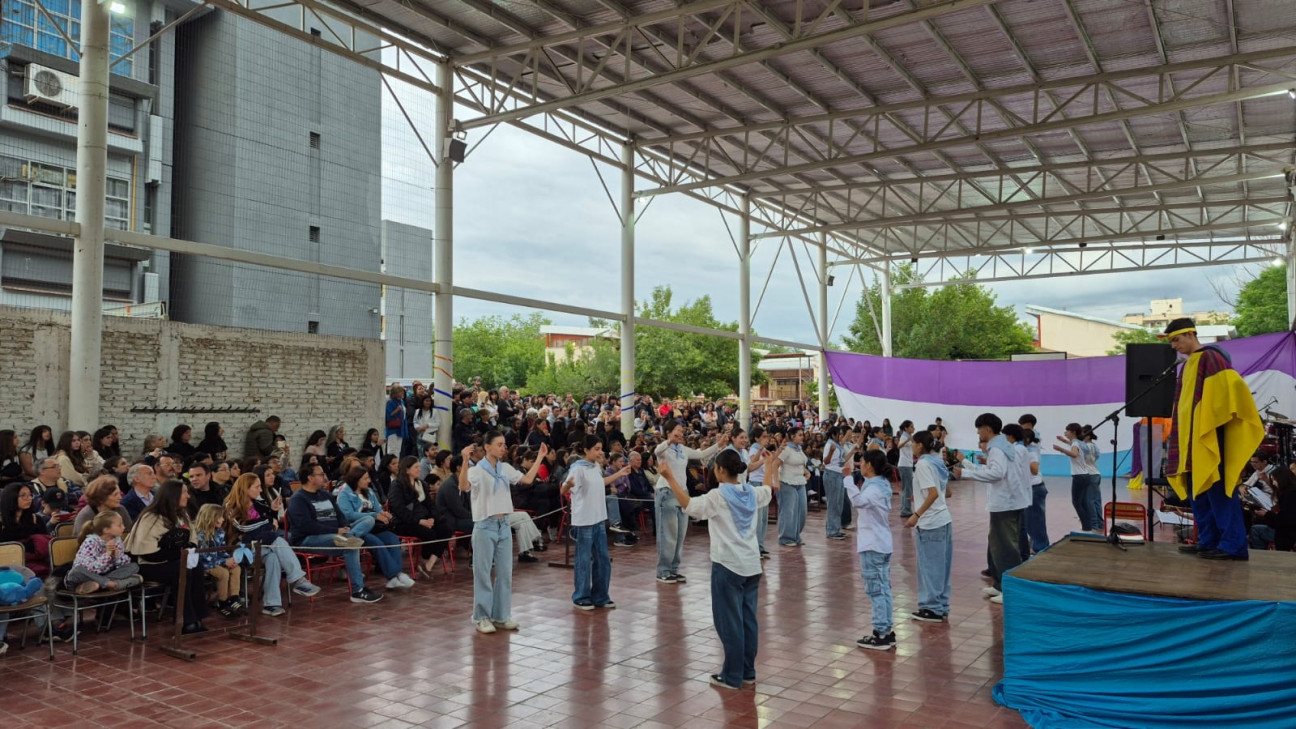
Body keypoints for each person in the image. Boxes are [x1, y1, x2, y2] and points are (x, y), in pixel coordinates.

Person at [657, 446, 778, 689]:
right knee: (748, 621)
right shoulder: (750, 493)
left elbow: (689, 506)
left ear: (721, 471)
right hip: (752, 566)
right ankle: (747, 671)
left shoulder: (718, 497)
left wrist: (669, 478)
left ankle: (732, 676)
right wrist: (768, 466)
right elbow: (767, 491)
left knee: (729, 622)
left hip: (727, 566)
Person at [1163, 318, 1264, 560]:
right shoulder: (1188, 365)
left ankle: (1233, 546)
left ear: (1190, 334)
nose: (1174, 346)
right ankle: (1208, 541)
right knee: (1199, 494)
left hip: (1209, 436)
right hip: (1191, 440)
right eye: (1171, 342)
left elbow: (1232, 389)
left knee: (1219, 493)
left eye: (1176, 339)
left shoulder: (1211, 357)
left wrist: (1210, 422)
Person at [458, 433, 547, 634]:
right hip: (485, 525)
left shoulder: (505, 468)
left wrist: (540, 457)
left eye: (504, 445)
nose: (503, 448)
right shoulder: (477, 470)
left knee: (505, 573)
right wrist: (465, 460)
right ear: (487, 447)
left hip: (503, 525)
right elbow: (463, 486)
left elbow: (527, 479)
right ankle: (481, 617)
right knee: (482, 574)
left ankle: (500, 615)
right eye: (499, 445)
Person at [953, 413, 1030, 605]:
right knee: (997, 545)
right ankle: (999, 584)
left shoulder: (996, 448)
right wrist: (967, 469)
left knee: (1005, 548)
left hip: (1004, 503)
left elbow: (996, 473)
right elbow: (993, 471)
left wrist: (966, 473)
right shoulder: (1005, 445)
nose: (978, 433)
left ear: (987, 428)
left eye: (979, 429)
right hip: (1011, 501)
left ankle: (1010, 589)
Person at [225, 473, 321, 617]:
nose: (260, 490)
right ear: (245, 488)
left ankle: (271, 604)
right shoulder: (231, 506)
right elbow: (244, 527)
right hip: (242, 550)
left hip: (262, 545)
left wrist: (273, 511)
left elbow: (269, 522)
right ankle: (298, 579)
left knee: (273, 558)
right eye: (257, 487)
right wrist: (269, 524)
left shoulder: (258, 503)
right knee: (276, 539)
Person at [288, 463, 383, 603]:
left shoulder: (326, 495)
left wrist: (345, 527)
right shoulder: (298, 499)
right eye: (320, 475)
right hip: (308, 539)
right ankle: (358, 591)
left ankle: (349, 538)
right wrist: (336, 531)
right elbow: (306, 526)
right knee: (349, 544)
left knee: (368, 519)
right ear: (310, 478)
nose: (324, 477)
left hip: (337, 534)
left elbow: (340, 516)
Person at [122, 480, 209, 634]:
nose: (188, 496)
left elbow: (193, 538)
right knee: (181, 571)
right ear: (173, 495)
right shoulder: (152, 517)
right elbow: (147, 551)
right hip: (148, 564)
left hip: (172, 560)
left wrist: (189, 548)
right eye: (184, 492)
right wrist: (178, 554)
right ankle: (184, 620)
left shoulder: (182, 514)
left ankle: (197, 617)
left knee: (197, 567)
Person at [653, 423, 726, 584]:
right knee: (668, 533)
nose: (681, 432)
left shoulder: (683, 450)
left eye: (682, 430)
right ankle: (663, 570)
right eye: (677, 430)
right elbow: (656, 451)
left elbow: (701, 455)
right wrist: (670, 441)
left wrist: (718, 445)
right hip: (667, 491)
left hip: (682, 492)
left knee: (680, 534)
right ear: (669, 432)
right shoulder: (664, 449)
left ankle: (674, 569)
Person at [561, 436, 625, 610]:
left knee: (603, 559)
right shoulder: (577, 469)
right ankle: (581, 596)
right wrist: (568, 485)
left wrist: (619, 474)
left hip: (598, 518)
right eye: (596, 448)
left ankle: (600, 595)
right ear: (586, 450)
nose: (600, 452)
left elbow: (601, 483)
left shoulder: (596, 466)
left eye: (600, 448)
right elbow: (564, 489)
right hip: (584, 521)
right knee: (583, 559)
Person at [845, 449, 897, 649]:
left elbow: (858, 502)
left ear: (870, 465)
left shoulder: (874, 488)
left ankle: (880, 633)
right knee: (883, 588)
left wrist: (848, 480)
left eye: (863, 462)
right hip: (881, 542)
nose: (860, 464)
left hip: (873, 544)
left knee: (876, 589)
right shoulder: (880, 484)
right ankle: (886, 630)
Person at [336, 466, 414, 590]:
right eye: (365, 478)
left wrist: (384, 514)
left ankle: (394, 577)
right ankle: (396, 575)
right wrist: (373, 515)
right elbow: (347, 514)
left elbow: (377, 508)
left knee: (393, 539)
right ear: (356, 479)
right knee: (376, 543)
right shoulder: (345, 493)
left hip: (375, 527)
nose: (369, 481)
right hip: (358, 528)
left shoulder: (369, 491)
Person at [905, 431, 952, 623]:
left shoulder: (923, 464)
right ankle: (941, 605)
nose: (911, 447)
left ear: (920, 446)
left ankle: (931, 608)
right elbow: (946, 492)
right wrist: (920, 497)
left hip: (930, 523)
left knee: (929, 566)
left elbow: (932, 494)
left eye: (913, 444)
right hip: (944, 519)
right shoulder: (937, 462)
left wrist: (916, 514)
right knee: (942, 566)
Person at [387, 456, 450, 576]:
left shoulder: (422, 484)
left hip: (424, 518)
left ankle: (429, 563)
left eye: (419, 467)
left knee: (445, 528)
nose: (419, 470)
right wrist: (419, 521)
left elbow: (430, 505)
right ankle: (425, 557)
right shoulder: (398, 485)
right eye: (416, 467)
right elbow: (398, 508)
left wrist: (432, 518)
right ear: (407, 470)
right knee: (429, 533)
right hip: (404, 522)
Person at [65, 511, 141, 595]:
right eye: (119, 525)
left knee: (134, 566)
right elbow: (91, 569)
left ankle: (97, 585)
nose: (123, 527)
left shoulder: (117, 540)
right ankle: (112, 584)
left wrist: (117, 555)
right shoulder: (91, 542)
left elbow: (122, 566)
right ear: (106, 530)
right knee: (76, 570)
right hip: (82, 577)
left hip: (103, 575)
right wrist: (107, 554)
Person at [193, 504, 244, 617]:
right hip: (204, 564)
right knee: (223, 573)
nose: (223, 519)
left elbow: (222, 551)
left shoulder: (220, 533)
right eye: (220, 517)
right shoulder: (200, 535)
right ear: (211, 517)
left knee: (236, 568)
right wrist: (223, 562)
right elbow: (204, 558)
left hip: (217, 561)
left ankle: (234, 598)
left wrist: (229, 559)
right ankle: (222, 602)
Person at [0, 482, 51, 576]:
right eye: (23, 495)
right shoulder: (2, 522)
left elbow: (44, 544)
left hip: (36, 562)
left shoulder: (36, 519)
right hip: (8, 567)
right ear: (11, 498)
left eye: (30, 495)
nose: (29, 498)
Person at [1053, 423, 1097, 532]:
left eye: (1067, 431)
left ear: (1073, 432)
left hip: (1079, 476)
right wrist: (1063, 441)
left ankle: (1086, 527)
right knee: (1083, 502)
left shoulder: (1076, 444)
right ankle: (1088, 526)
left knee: (1077, 502)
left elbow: (1074, 454)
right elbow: (1073, 445)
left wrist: (1060, 449)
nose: (1065, 433)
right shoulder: (1080, 443)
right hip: (1085, 475)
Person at [776, 427, 810, 547]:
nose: (802, 437)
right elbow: (775, 464)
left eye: (802, 435)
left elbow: (799, 462)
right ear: (792, 436)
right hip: (786, 482)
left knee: (802, 511)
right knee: (788, 512)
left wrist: (806, 471)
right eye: (799, 435)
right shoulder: (786, 449)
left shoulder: (799, 449)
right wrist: (774, 482)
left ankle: (796, 536)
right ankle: (786, 538)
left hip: (800, 482)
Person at [1020, 428, 1049, 554]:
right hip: (1029, 488)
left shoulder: (1030, 452)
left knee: (1036, 522)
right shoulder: (1024, 450)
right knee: (1029, 522)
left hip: (1035, 489)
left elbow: (1034, 469)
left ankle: (1040, 549)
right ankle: (1036, 547)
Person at [822, 426, 848, 541]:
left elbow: (842, 460)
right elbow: (826, 461)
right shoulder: (830, 445)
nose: (841, 436)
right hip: (832, 475)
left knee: (838, 503)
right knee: (833, 503)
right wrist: (832, 451)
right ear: (833, 435)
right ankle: (832, 531)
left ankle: (835, 529)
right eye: (840, 434)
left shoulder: (837, 444)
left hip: (839, 474)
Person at [896, 420, 916, 518]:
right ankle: (906, 510)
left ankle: (905, 508)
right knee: (907, 488)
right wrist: (908, 440)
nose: (913, 428)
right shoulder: (904, 436)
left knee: (907, 487)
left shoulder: (908, 437)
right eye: (911, 427)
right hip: (905, 464)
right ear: (906, 428)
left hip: (908, 464)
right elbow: (899, 446)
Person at [385, 385, 409, 458]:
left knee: (398, 449)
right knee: (392, 449)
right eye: (400, 391)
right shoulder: (391, 402)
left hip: (401, 428)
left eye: (402, 391)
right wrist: (396, 410)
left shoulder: (401, 402)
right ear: (395, 393)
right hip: (393, 428)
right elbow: (388, 416)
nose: (402, 393)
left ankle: (396, 464)